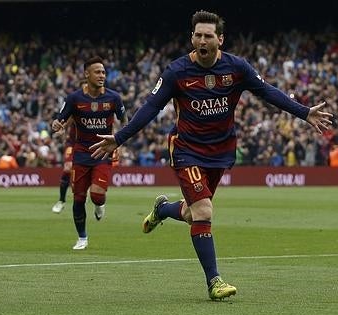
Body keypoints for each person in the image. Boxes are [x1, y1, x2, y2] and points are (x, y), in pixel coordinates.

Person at [90, 10, 333, 300]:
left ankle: (162, 209)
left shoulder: (237, 68)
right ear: (192, 38)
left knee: (193, 213)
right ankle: (214, 281)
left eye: (208, 35)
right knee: (204, 211)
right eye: (198, 35)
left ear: (220, 39)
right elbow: (151, 108)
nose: (202, 40)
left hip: (221, 151)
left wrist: (304, 113)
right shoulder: (176, 72)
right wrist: (119, 138)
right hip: (186, 150)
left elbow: (267, 92)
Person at [51, 56, 127, 250]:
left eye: (103, 72)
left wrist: (119, 141)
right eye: (97, 72)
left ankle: (100, 205)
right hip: (81, 153)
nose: (102, 75)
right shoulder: (74, 98)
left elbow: (124, 120)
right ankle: (82, 237)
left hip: (103, 151)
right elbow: (59, 119)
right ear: (87, 74)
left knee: (97, 195)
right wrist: (56, 124)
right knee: (78, 197)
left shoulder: (114, 98)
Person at [51, 117, 75, 214]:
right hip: (72, 142)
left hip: (88, 142)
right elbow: (71, 118)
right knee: (68, 167)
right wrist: (62, 129)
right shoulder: (79, 104)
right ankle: (61, 200)